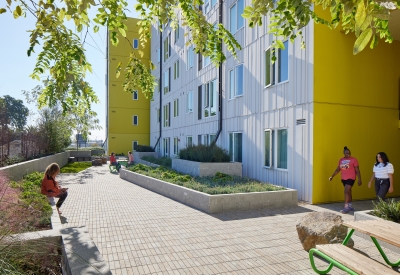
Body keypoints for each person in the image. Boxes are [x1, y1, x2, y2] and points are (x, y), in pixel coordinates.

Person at [329, 146, 362, 213]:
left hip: (351, 178)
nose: (348, 154)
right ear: (344, 153)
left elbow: (357, 170)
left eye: (349, 153)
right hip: (344, 178)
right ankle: (350, 206)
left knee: (346, 191)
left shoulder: (353, 159)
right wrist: (332, 176)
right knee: (349, 192)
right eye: (347, 153)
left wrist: (359, 179)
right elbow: (338, 169)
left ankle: (346, 207)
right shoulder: (341, 160)